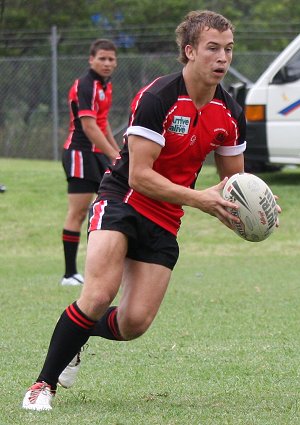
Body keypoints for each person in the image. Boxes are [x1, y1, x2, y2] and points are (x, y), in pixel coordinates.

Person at [22, 10, 280, 411]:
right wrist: (201, 200)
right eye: (213, 48)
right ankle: (43, 384)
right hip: (123, 199)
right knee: (96, 294)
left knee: (133, 324)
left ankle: (80, 335)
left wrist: (254, 208)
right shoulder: (158, 97)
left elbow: (233, 186)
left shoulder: (230, 114)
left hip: (166, 217)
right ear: (189, 51)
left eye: (228, 49)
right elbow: (140, 176)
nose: (222, 58)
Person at [60, 38, 120, 286]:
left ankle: (104, 267)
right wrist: (113, 156)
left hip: (96, 154)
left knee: (111, 207)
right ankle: (69, 274)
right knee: (79, 212)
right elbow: (89, 126)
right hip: (79, 153)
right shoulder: (85, 85)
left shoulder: (106, 87)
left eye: (111, 59)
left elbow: (103, 125)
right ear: (91, 59)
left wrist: (120, 155)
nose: (107, 63)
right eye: (102, 58)